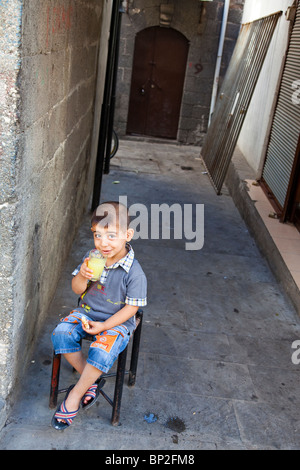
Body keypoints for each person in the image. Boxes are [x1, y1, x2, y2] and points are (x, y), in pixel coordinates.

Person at [51, 201, 147, 430]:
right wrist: (83, 276)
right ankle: (90, 380)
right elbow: (76, 289)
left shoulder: (134, 273)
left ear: (128, 235)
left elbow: (131, 310)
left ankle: (75, 394)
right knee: (60, 335)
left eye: (111, 236)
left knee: (101, 351)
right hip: (86, 312)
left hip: (116, 322)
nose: (103, 243)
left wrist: (104, 326)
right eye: (97, 235)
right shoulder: (93, 256)